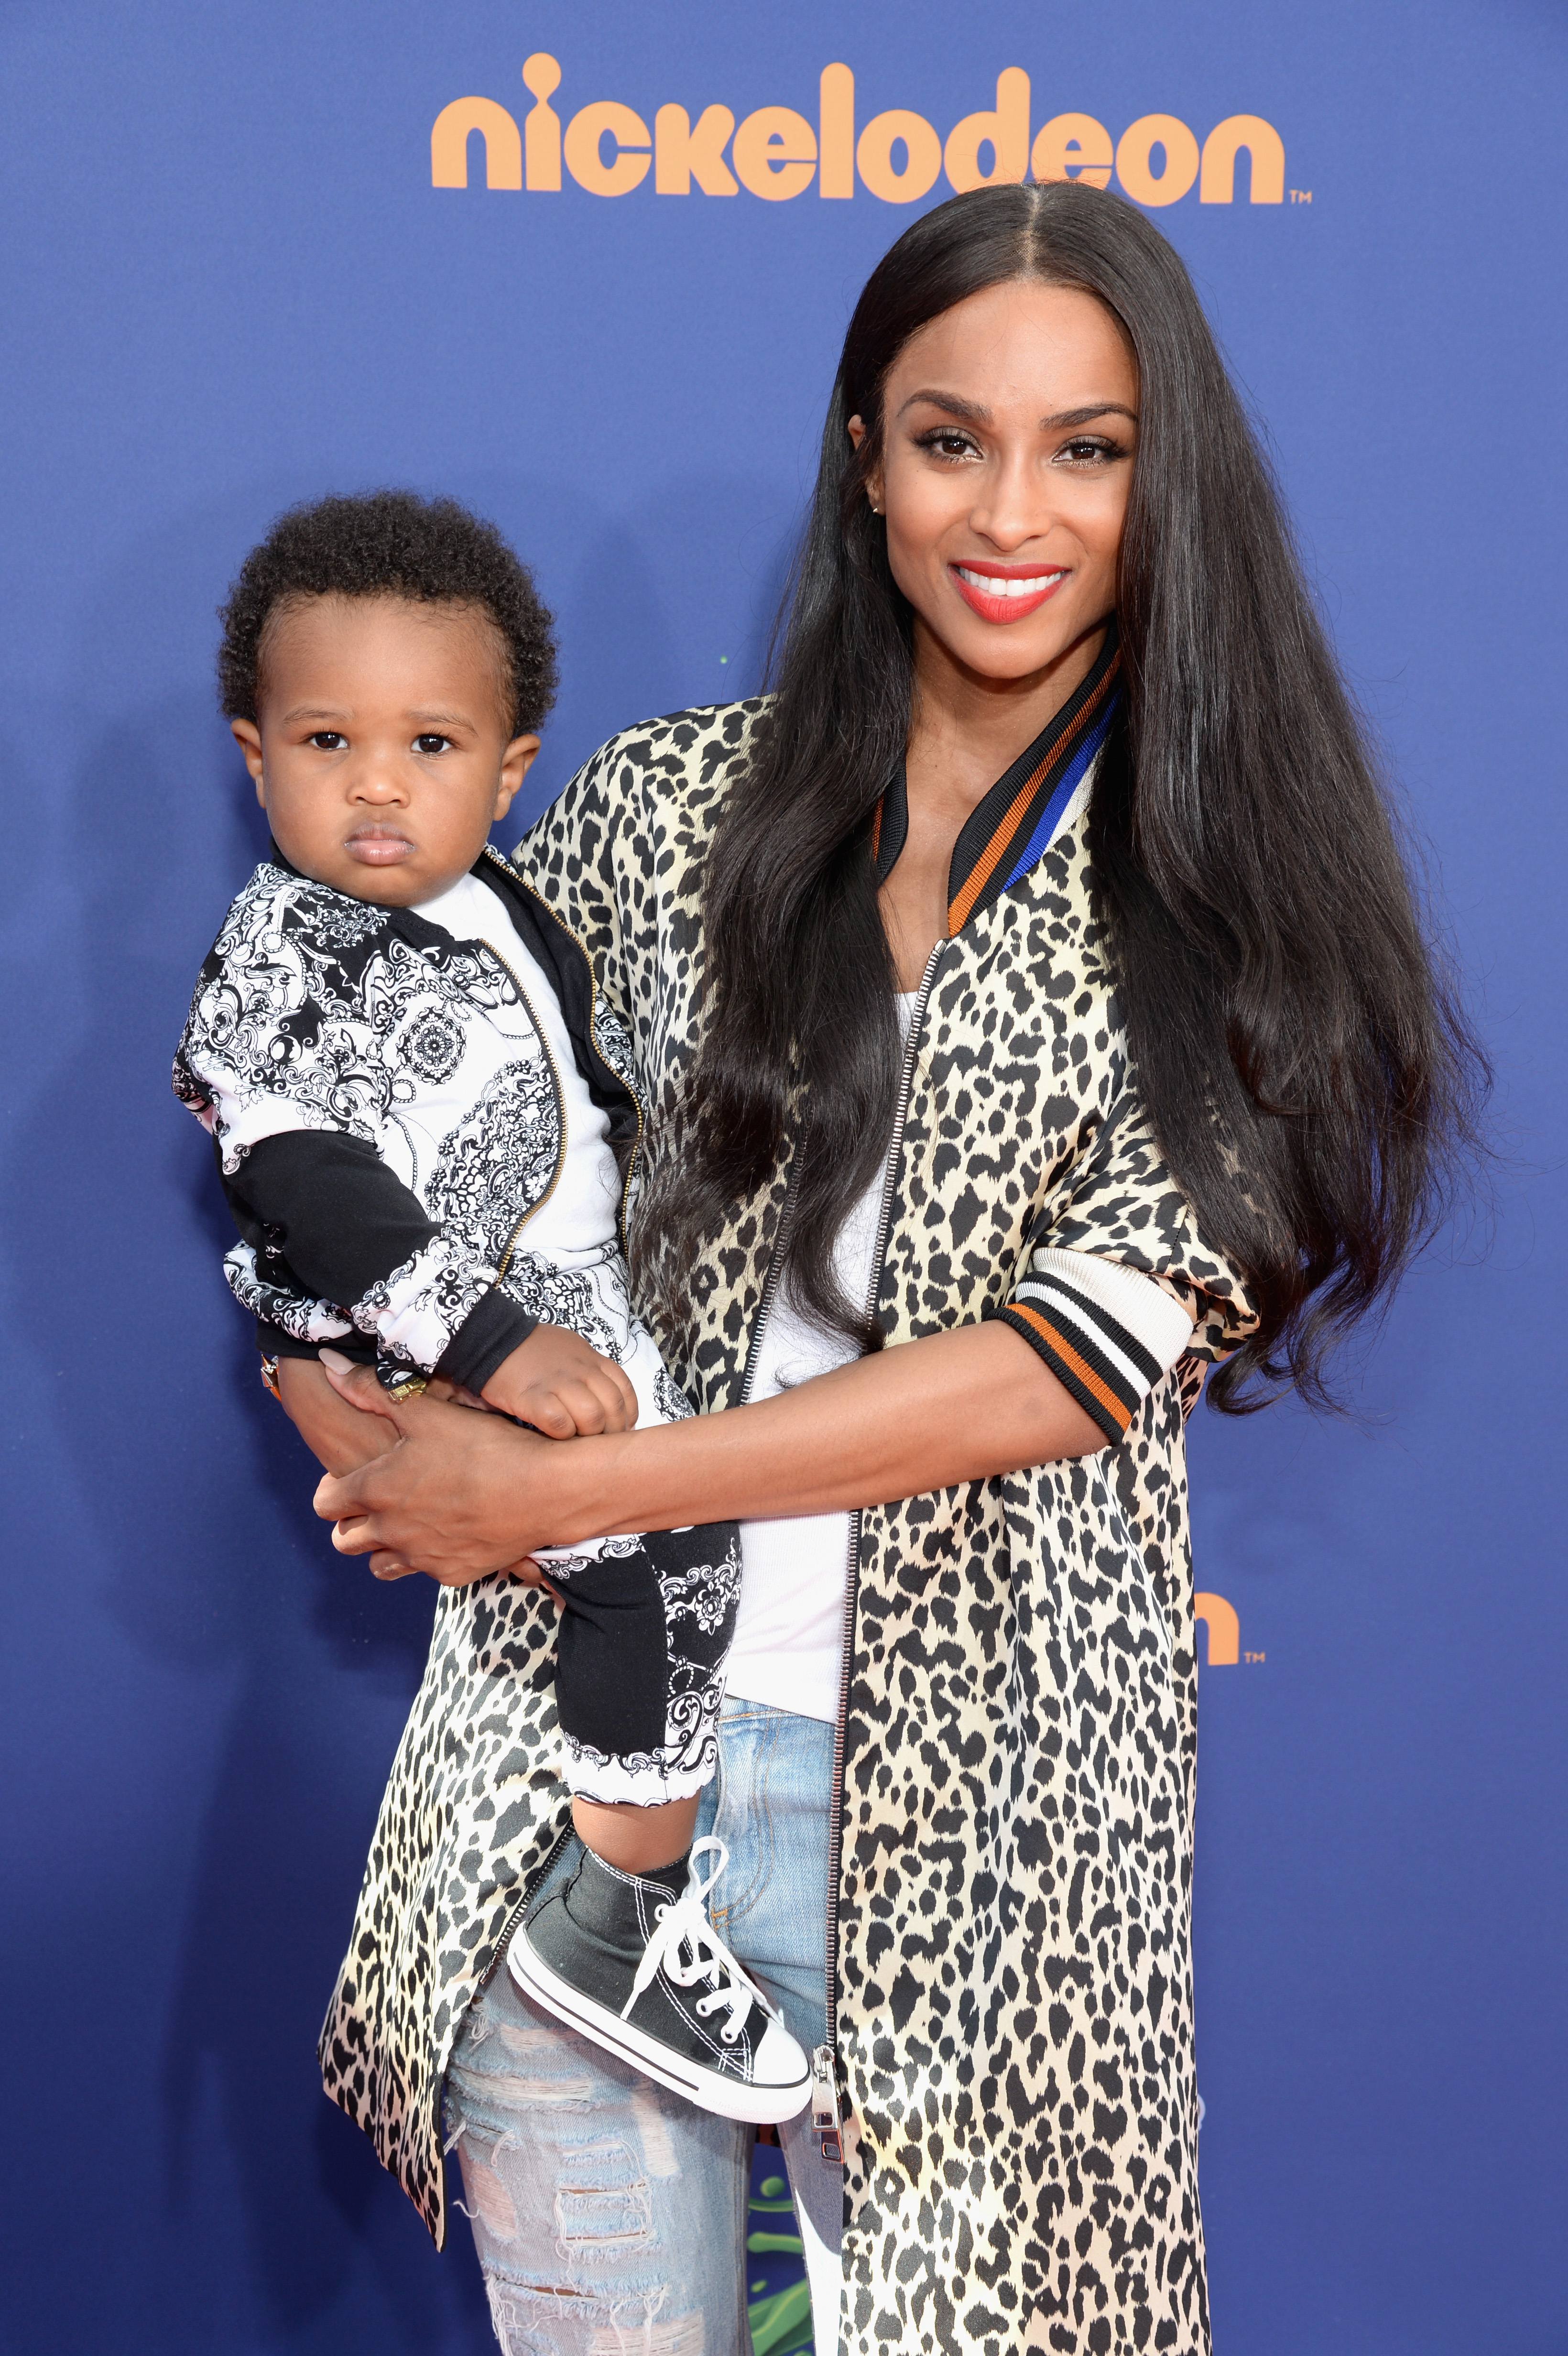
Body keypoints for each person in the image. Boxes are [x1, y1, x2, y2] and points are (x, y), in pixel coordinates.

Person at [290, 184, 1481, 2356]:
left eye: (1086, 449)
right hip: (582, 1793)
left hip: (989, 1833)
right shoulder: (664, 810)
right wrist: (372, 1428)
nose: (1010, 512)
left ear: (1168, 480)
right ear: (864, 459)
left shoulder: (1235, 903)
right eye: (950, 440)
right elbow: (377, 1131)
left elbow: (1066, 1358)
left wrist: (558, 1490)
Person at [173, 490, 810, 2124]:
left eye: (432, 745)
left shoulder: (499, 896)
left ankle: (633, 1881)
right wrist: (488, 1348)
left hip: (566, 1302)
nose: (378, 784)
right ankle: (619, 1912)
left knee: (688, 1538)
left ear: (509, 770)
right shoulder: (284, 954)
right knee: (658, 1560)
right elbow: (307, 1183)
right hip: (453, 1336)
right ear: (257, 757)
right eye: (327, 741)